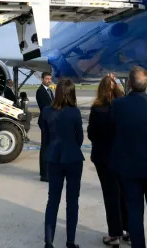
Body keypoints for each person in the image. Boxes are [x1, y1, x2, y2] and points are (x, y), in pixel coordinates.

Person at [110, 66, 147, 248]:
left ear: (129, 83)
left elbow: (114, 126)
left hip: (129, 169)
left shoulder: (118, 105)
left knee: (134, 213)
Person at [41, 78, 84, 248]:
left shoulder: (47, 111)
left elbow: (45, 136)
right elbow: (79, 137)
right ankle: (70, 241)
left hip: (54, 157)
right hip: (73, 157)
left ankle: (49, 241)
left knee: (53, 200)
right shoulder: (75, 112)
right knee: (72, 201)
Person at [88, 75, 129, 245]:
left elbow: (91, 134)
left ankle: (114, 234)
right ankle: (130, 231)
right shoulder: (124, 108)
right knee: (126, 195)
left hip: (103, 158)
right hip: (123, 158)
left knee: (110, 195)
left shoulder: (97, 109)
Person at [36, 72, 54, 182]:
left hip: (50, 122)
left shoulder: (49, 90)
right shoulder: (41, 91)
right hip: (45, 122)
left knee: (48, 147)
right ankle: (44, 174)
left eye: (50, 79)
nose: (49, 80)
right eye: (47, 79)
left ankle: (47, 171)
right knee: (45, 148)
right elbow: (45, 107)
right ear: (42, 79)